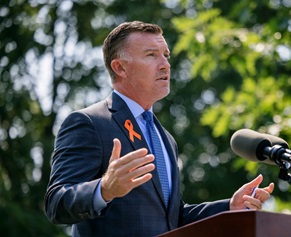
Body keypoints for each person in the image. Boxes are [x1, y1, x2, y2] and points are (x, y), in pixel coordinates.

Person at [44, 21, 274, 237]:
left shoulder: (165, 138)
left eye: (166, 55)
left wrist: (229, 207)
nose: (165, 64)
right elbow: (56, 203)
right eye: (151, 55)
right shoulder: (89, 123)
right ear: (120, 68)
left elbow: (171, 218)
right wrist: (104, 189)